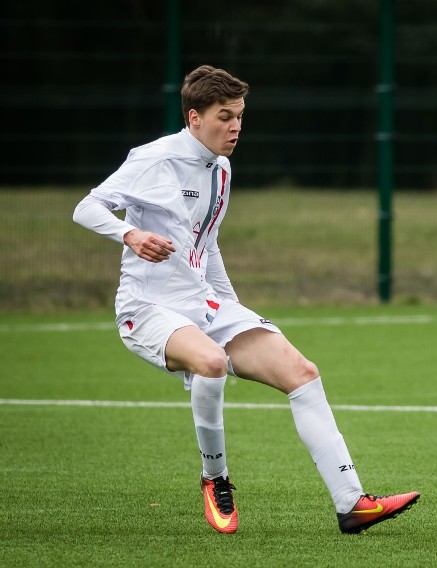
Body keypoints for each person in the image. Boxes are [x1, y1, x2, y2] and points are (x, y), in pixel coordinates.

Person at [72, 65, 419, 535]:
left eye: (239, 116)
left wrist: (235, 312)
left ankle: (352, 502)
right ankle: (215, 480)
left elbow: (207, 244)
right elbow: (87, 206)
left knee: (303, 373)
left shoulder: (222, 168)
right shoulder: (155, 159)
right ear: (194, 117)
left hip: (204, 305)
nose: (235, 127)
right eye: (224, 116)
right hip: (147, 308)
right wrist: (129, 233)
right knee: (211, 363)